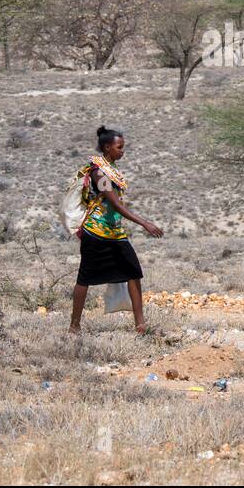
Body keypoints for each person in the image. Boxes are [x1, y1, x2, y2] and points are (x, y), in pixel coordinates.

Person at [70, 126, 163, 336]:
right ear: (107, 147)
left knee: (133, 271)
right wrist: (145, 223)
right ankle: (74, 326)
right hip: (95, 233)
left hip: (114, 232)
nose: (123, 151)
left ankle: (141, 326)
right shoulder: (98, 171)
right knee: (85, 277)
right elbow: (116, 205)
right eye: (119, 147)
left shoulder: (111, 169)